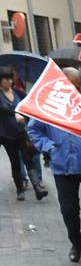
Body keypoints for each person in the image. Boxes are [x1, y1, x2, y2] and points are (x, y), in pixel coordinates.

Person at [28, 68, 81, 266]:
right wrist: (50, 147)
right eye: (66, 85)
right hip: (62, 168)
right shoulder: (47, 108)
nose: (70, 89)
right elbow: (33, 129)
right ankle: (77, 241)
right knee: (69, 211)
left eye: (74, 85)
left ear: (80, 86)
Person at [0, 69, 48, 201]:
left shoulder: (17, 93)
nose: (9, 81)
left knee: (28, 158)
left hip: (22, 132)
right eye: (6, 79)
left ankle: (37, 187)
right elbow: (3, 109)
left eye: (10, 78)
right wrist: (15, 112)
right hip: (7, 135)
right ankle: (19, 189)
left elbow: (28, 104)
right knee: (15, 161)